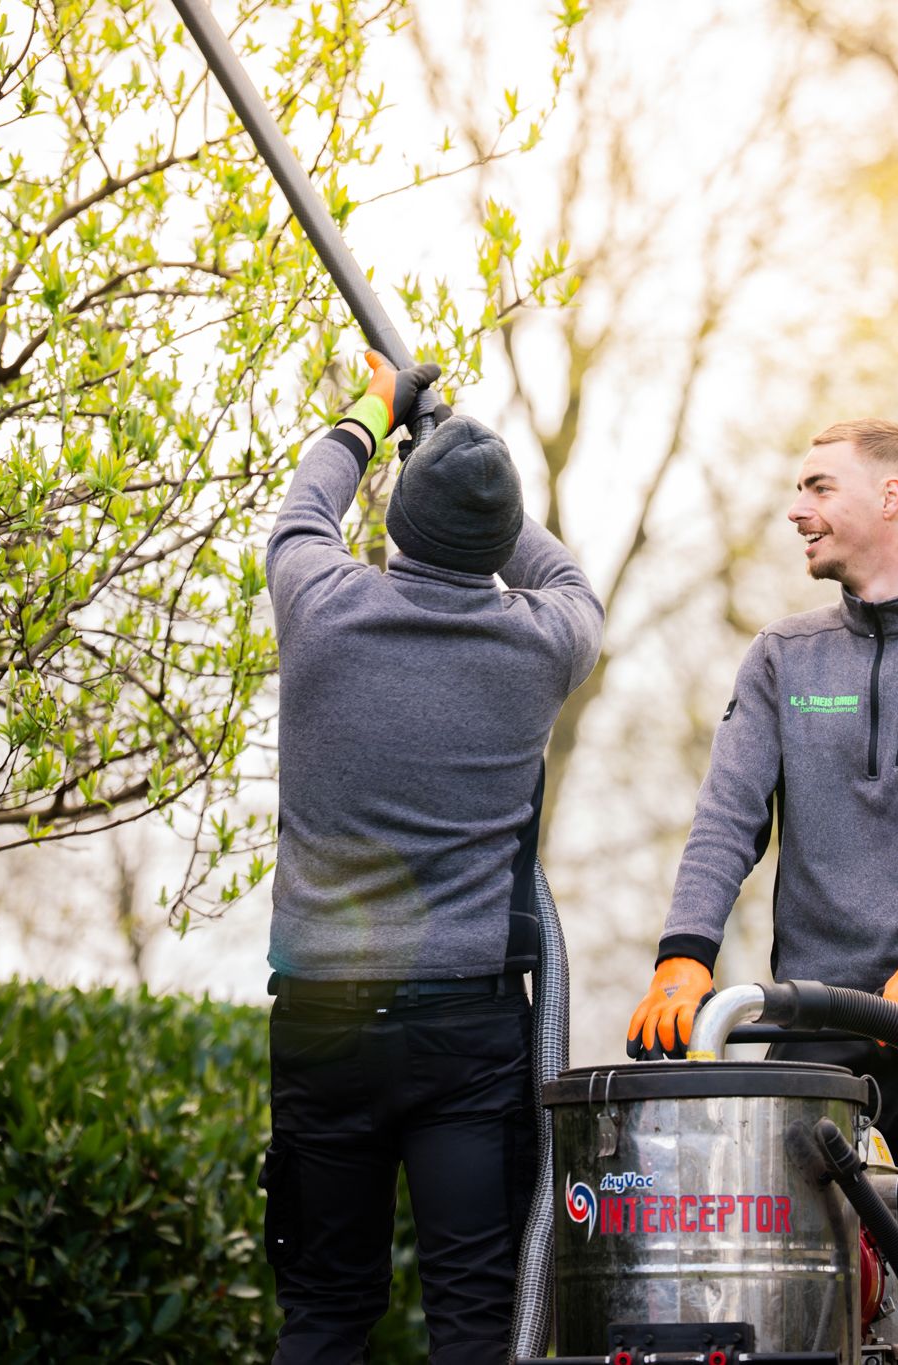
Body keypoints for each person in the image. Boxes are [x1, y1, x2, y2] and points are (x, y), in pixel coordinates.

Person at [626, 419, 898, 1365]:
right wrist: (685, 955)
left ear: (891, 497)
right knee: (801, 1312)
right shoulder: (783, 656)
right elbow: (727, 817)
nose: (795, 509)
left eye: (818, 487)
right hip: (812, 1028)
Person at [262, 351, 603, 1365]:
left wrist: (377, 413)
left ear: (400, 520)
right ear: (498, 542)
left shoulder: (320, 605)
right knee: (476, 1321)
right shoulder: (541, 644)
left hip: (324, 1019)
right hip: (467, 1034)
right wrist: (468, 458)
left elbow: (305, 508)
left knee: (324, 1313)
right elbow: (565, 576)